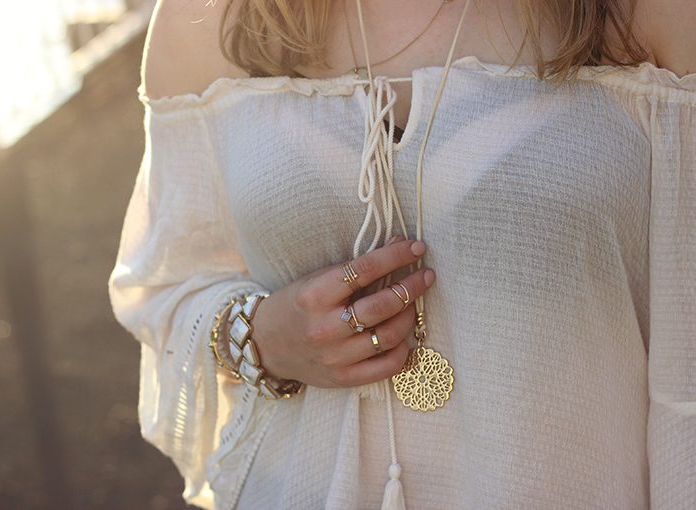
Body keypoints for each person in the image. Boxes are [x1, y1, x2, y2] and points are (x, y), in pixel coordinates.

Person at [108, 0, 696, 508]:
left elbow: (686, 367)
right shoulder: (209, 19)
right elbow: (166, 287)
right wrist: (261, 337)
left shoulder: (648, 15)